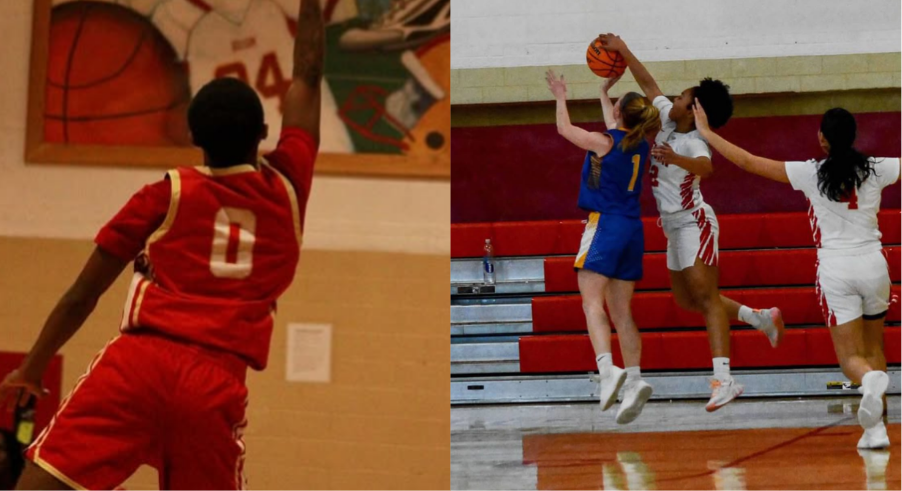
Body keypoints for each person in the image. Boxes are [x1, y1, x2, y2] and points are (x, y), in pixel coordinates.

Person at [0, 0, 324, 487]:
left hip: (139, 364)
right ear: (262, 133)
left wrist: (33, 366)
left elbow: (81, 296)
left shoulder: (166, 192)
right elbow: (308, 76)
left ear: (193, 135)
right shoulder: (289, 185)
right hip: (215, 381)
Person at [693, 102, 898, 449]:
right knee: (874, 345)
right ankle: (877, 429)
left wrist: (708, 134)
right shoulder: (877, 168)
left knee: (851, 358)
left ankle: (870, 383)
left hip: (837, 269)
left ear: (822, 139)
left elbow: (748, 161)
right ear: (854, 136)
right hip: (875, 265)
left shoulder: (811, 172)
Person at [599, 33, 785, 411]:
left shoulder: (695, 142)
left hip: (694, 223)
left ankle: (724, 379)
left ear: (694, 110)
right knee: (687, 300)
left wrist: (675, 159)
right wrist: (623, 50)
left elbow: (708, 167)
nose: (675, 98)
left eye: (683, 97)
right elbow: (649, 84)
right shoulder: (668, 117)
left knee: (705, 298)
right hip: (671, 227)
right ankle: (759, 317)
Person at [545, 69, 661, 424]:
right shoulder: (640, 142)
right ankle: (636, 379)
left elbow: (565, 130)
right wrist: (603, 90)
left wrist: (561, 96)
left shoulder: (604, 142)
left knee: (591, 302)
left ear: (617, 115)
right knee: (622, 313)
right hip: (632, 229)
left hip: (605, 225)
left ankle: (608, 371)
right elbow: (617, 122)